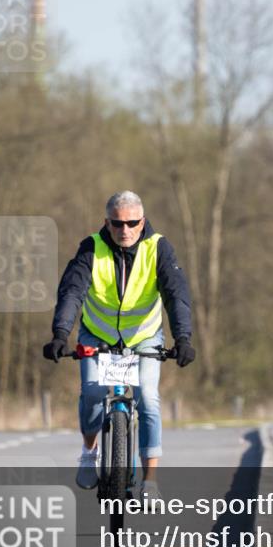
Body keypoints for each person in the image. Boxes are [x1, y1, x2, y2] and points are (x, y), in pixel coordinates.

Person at [43, 191, 195, 500]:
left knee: (149, 399)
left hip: (144, 337)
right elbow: (72, 291)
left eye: (132, 223)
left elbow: (176, 294)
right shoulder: (92, 248)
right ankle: (89, 452)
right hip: (96, 335)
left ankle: (150, 481)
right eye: (117, 223)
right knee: (92, 393)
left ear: (143, 222)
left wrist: (183, 338)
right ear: (106, 223)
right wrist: (60, 333)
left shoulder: (158, 248)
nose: (124, 230)